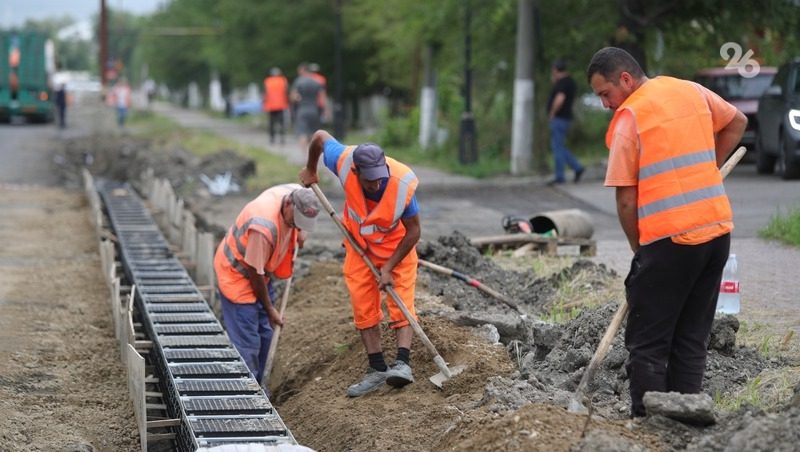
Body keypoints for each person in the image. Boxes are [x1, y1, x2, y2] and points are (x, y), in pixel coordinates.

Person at [587, 47, 747, 418]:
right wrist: (709, 168)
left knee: (649, 342)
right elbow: (736, 121)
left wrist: (638, 251)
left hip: (668, 242)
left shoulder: (631, 117)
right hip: (715, 233)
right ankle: (685, 421)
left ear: (625, 79)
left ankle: (650, 425)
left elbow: (627, 201)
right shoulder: (689, 90)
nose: (606, 104)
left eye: (605, 93)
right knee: (692, 337)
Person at [299, 130, 421, 397]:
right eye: (370, 182)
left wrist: (388, 267)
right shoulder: (343, 160)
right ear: (356, 173)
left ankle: (402, 364)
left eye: (380, 179)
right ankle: (377, 368)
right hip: (359, 246)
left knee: (402, 301)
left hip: (396, 248)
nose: (376, 185)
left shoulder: (402, 184)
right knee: (362, 303)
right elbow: (320, 136)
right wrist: (311, 169)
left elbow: (414, 232)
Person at [213, 184, 321, 383]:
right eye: (296, 220)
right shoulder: (262, 227)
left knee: (266, 334)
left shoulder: (297, 194)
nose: (296, 225)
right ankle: (246, 392)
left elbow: (305, 189)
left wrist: (301, 231)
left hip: (261, 271)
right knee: (248, 343)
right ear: (289, 204)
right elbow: (255, 273)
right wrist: (270, 308)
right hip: (237, 274)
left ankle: (261, 384)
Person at [546, 58, 584, 185]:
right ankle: (577, 167)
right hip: (566, 117)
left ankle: (560, 176)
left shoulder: (562, 83)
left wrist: (552, 113)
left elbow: (560, 99)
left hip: (559, 118)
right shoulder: (569, 82)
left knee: (557, 147)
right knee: (560, 146)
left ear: (555, 70)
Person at [291, 64, 326, 151]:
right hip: (314, 109)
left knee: (302, 133)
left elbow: (294, 96)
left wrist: (297, 99)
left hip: (302, 109)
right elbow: (322, 97)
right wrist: (324, 110)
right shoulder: (317, 82)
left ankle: (305, 156)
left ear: (303, 71)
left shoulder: (298, 81)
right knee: (313, 134)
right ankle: (312, 155)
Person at [263, 67, 289, 144]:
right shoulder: (283, 80)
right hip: (281, 105)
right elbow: (286, 91)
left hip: (271, 106)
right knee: (281, 123)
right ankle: (282, 138)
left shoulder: (267, 81)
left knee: (272, 123)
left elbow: (265, 93)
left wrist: (264, 104)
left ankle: (272, 139)